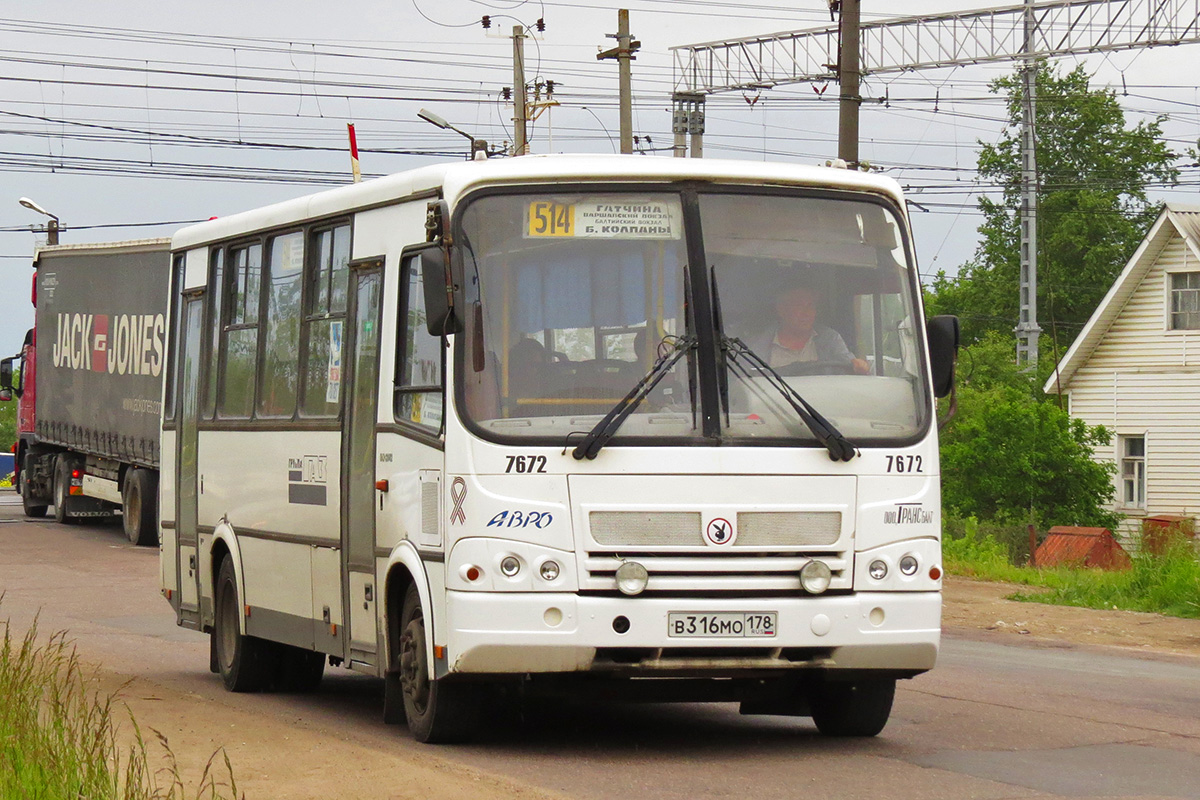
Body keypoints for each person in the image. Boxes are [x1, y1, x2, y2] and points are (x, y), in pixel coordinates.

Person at [748, 284, 870, 374]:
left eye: (810, 306)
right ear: (781, 309)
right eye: (799, 306)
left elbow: (848, 365)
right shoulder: (756, 347)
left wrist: (858, 366)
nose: (807, 313)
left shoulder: (830, 339)